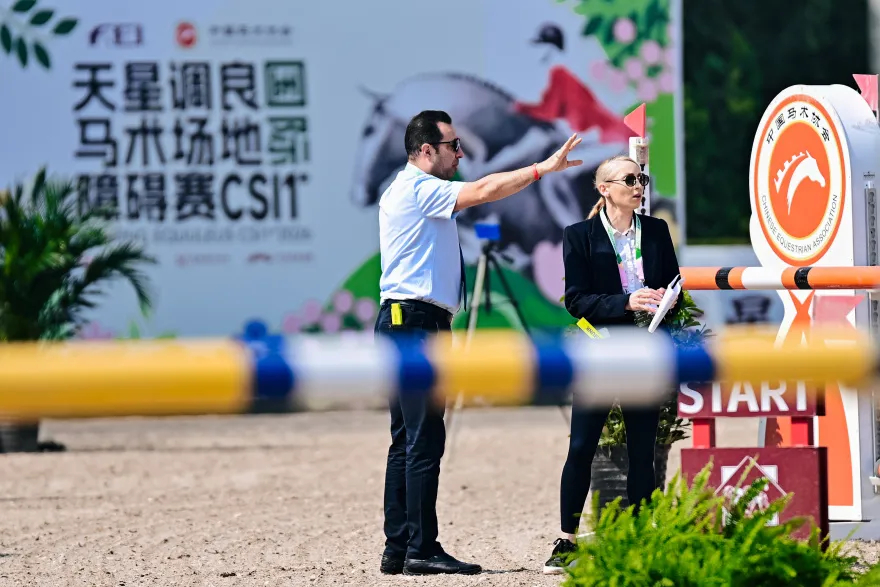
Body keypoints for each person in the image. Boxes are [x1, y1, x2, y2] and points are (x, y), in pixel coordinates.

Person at [374, 110, 583, 576]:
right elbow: (486, 190)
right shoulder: (420, 187)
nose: (461, 153)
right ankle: (420, 548)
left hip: (403, 319)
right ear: (425, 150)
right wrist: (541, 169)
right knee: (424, 440)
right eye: (453, 145)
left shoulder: (406, 188)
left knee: (406, 440)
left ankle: (399, 547)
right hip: (416, 323)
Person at [542, 155, 683, 574]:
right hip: (600, 350)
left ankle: (641, 539)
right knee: (581, 446)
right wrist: (627, 302)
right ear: (604, 189)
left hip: (645, 349)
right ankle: (566, 542)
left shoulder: (656, 231)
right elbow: (576, 301)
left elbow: (674, 286)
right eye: (629, 179)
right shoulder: (579, 235)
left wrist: (664, 303)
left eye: (642, 179)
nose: (639, 186)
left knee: (643, 449)